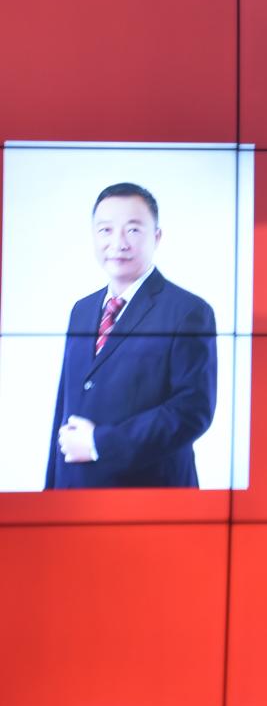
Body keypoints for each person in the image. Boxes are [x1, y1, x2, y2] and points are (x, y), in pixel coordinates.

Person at [45, 183, 216, 489]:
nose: (118, 243)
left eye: (133, 230)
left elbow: (192, 411)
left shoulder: (188, 311)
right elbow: (66, 407)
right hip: (75, 492)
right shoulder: (82, 310)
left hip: (149, 492)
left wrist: (99, 443)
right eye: (106, 230)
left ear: (157, 237)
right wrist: (51, 490)